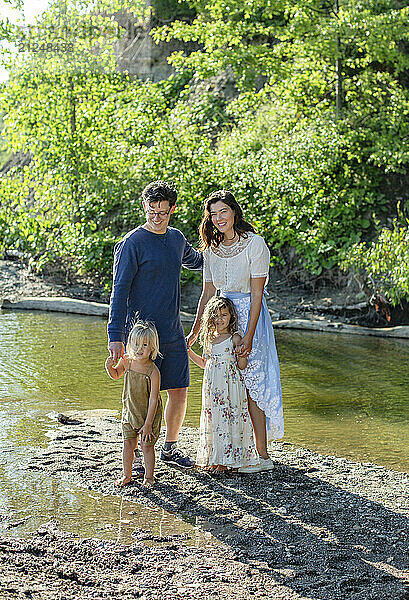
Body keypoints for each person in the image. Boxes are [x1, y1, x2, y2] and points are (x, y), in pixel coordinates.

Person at [186, 189, 284, 473]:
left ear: (234, 212)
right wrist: (195, 333)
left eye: (223, 212)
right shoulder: (211, 250)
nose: (218, 218)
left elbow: (257, 295)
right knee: (225, 386)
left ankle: (263, 456)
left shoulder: (255, 245)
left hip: (251, 319)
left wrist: (250, 336)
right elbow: (207, 294)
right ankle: (231, 453)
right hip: (221, 318)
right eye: (213, 214)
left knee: (253, 386)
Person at [107, 181, 203, 469]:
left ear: (173, 209)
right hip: (141, 335)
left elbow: (199, 261)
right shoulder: (131, 244)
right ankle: (134, 449)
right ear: (144, 207)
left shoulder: (176, 239)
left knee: (179, 389)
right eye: (151, 211)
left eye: (162, 212)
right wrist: (116, 336)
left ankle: (170, 448)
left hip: (172, 330)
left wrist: (231, 248)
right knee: (139, 393)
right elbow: (119, 291)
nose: (157, 217)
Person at [188, 296, 259, 473]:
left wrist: (242, 354)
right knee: (214, 419)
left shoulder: (234, 338)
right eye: (216, 315)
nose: (219, 319)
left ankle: (225, 461)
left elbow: (242, 366)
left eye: (223, 315)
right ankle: (214, 457)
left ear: (231, 317)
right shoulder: (210, 339)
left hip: (229, 386)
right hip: (212, 386)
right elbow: (206, 363)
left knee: (228, 417)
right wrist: (188, 351)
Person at [105, 320, 162, 488]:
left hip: (148, 414)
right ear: (130, 344)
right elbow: (116, 374)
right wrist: (109, 367)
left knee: (146, 446)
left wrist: (148, 424)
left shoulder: (153, 371)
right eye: (136, 344)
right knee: (128, 443)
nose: (139, 349)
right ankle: (126, 474)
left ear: (152, 347)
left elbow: (153, 399)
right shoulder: (127, 361)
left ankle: (149, 477)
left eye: (144, 345)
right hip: (130, 412)